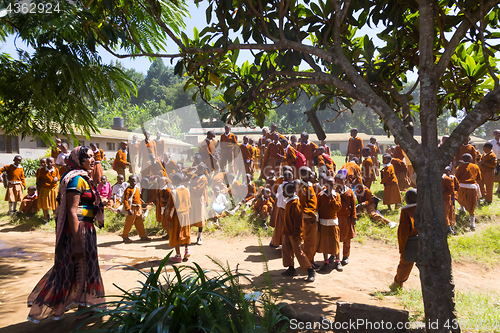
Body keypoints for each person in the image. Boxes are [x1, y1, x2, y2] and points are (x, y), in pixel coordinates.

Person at [27, 146, 105, 322]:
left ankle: (84, 305)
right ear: (79, 160)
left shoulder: (84, 178)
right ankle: (81, 307)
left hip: (87, 228)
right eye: (89, 157)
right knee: (80, 267)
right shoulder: (76, 179)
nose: (93, 160)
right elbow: (71, 211)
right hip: (80, 230)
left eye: (94, 157)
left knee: (85, 267)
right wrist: (77, 241)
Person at [281, 182, 316, 282]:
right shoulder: (289, 201)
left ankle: (310, 270)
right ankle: (291, 268)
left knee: (298, 252)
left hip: (294, 233)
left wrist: (297, 235)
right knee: (286, 249)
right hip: (288, 231)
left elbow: (298, 222)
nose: (283, 193)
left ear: (292, 191)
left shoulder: (295, 204)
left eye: (285, 191)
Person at [390, 189, 418, 290]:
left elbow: (403, 231)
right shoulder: (423, 209)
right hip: (424, 240)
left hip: (410, 242)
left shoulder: (406, 211)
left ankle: (398, 284)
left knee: (405, 264)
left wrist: (402, 248)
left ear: (407, 200)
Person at [316, 176, 343, 272]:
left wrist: (332, 197)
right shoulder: (320, 195)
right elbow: (318, 208)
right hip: (323, 222)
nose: (330, 186)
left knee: (335, 241)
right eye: (328, 184)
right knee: (324, 242)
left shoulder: (336, 195)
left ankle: (337, 261)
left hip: (333, 222)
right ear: (325, 185)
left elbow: (338, 208)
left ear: (334, 184)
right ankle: (326, 261)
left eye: (332, 184)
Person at [167, 173, 192, 263]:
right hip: (186, 215)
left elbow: (172, 208)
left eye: (173, 180)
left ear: (176, 181)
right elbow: (189, 205)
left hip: (177, 216)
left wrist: (169, 220)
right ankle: (187, 250)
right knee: (185, 232)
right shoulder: (187, 190)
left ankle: (178, 256)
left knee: (175, 235)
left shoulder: (173, 192)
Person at [297, 167, 318, 268]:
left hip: (312, 217)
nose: (312, 175)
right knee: (309, 241)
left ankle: (311, 259)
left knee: (312, 241)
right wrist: (311, 214)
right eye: (309, 174)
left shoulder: (309, 185)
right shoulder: (302, 189)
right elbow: (301, 206)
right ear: (304, 175)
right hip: (308, 218)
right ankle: (308, 262)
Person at [335, 170, 357, 266]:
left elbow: (353, 206)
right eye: (337, 181)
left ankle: (345, 256)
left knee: (347, 238)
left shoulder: (349, 192)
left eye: (341, 181)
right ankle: (335, 255)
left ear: (345, 181)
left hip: (347, 218)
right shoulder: (334, 192)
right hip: (337, 218)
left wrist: (354, 217)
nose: (339, 183)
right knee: (336, 238)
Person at [455, 153, 482, 231]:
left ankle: (462, 208)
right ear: (471, 159)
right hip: (472, 187)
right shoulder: (475, 166)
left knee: (460, 197)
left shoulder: (459, 167)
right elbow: (479, 178)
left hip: (462, 186)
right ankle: (472, 225)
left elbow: (456, 178)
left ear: (463, 160)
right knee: (472, 205)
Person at [122, 175, 150, 243]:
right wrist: (128, 209)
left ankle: (143, 235)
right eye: (132, 181)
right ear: (129, 181)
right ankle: (125, 236)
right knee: (129, 223)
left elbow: (138, 198)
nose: (134, 182)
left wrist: (140, 207)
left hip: (138, 208)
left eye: (135, 181)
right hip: (132, 208)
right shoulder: (128, 189)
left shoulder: (137, 189)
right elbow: (125, 200)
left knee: (140, 222)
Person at [270, 170, 293, 248]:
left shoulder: (280, 186)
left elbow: (278, 197)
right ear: (290, 177)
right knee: (288, 227)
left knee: (280, 227)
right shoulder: (291, 186)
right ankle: (287, 244)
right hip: (288, 209)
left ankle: (278, 242)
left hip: (280, 209)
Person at [190, 164, 208, 245]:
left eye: (202, 168)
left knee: (200, 217)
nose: (200, 170)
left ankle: (199, 237)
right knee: (191, 216)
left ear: (204, 170)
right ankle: (187, 236)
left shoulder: (204, 178)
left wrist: (191, 187)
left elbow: (198, 189)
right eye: (199, 168)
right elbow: (189, 184)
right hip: (192, 198)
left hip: (199, 199)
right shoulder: (194, 176)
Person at [38, 157, 60, 223]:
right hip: (45, 189)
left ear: (54, 162)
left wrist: (57, 178)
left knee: (55, 204)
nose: (50, 163)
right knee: (45, 204)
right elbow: (38, 179)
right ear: (46, 163)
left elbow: (58, 176)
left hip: (53, 189)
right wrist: (38, 189)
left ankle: (56, 217)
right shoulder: (41, 170)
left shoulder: (56, 170)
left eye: (51, 162)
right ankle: (46, 219)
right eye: (48, 162)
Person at [442, 168, 456, 234]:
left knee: (447, 215)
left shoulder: (448, 179)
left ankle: (449, 229)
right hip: (439, 200)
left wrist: (442, 196)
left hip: (446, 200)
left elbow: (451, 190)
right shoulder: (435, 179)